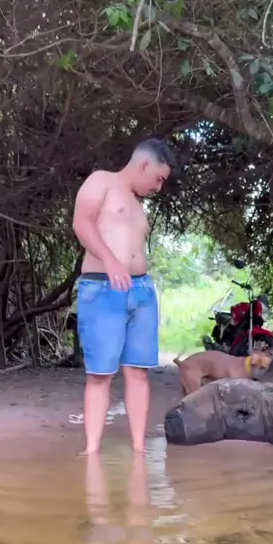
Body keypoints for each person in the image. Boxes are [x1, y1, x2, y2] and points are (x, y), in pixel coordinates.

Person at [72, 138, 178, 454]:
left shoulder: (137, 204)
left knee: (138, 371)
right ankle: (92, 450)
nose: (158, 187)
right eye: (158, 178)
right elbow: (81, 224)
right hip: (103, 287)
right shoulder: (102, 181)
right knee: (100, 374)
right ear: (144, 164)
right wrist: (110, 259)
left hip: (141, 291)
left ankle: (139, 449)